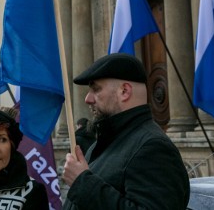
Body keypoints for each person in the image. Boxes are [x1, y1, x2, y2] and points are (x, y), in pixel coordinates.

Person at [62, 53, 190, 209]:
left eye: (96, 89)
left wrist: (82, 182)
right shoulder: (105, 142)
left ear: (124, 91)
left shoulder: (152, 147)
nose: (87, 99)